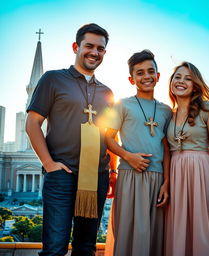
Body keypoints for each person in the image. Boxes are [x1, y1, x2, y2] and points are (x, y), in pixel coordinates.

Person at [26, 23, 114, 256]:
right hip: (61, 176)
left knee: (86, 248)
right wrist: (49, 165)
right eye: (89, 46)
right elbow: (32, 124)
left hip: (96, 179)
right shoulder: (53, 79)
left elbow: (109, 136)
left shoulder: (107, 92)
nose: (95, 52)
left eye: (100, 48)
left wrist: (111, 172)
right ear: (76, 46)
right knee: (55, 248)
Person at [104, 50, 171, 256]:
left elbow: (167, 149)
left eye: (151, 71)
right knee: (128, 233)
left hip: (158, 180)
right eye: (140, 73)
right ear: (131, 79)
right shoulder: (122, 105)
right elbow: (107, 138)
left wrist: (167, 183)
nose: (146, 76)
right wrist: (128, 156)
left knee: (155, 236)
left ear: (158, 76)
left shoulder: (167, 110)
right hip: (130, 176)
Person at [165, 62, 209, 256]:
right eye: (177, 77)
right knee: (178, 228)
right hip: (176, 174)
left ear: (195, 85)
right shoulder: (169, 114)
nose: (181, 81)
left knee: (202, 225)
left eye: (188, 78)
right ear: (171, 82)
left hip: (201, 174)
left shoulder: (208, 109)